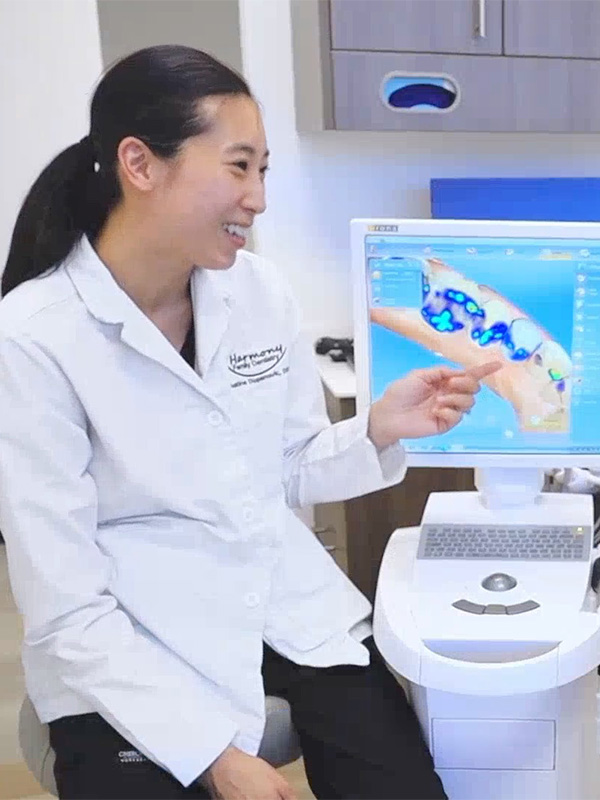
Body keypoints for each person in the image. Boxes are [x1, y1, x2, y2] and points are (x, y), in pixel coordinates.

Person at [0, 45, 500, 800]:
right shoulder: (33, 339)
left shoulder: (258, 292)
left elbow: (288, 464)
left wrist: (378, 430)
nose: (258, 198)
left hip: (280, 600)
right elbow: (66, 611)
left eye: (263, 170)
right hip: (126, 643)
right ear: (140, 165)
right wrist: (211, 756)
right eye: (239, 167)